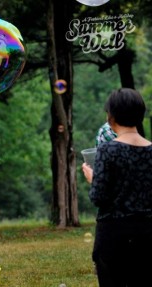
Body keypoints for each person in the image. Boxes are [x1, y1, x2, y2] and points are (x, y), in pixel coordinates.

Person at [82, 88, 152, 287]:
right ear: (140, 116)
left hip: (114, 236)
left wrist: (92, 178)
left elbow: (99, 197)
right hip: (146, 235)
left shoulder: (107, 149)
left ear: (110, 117)